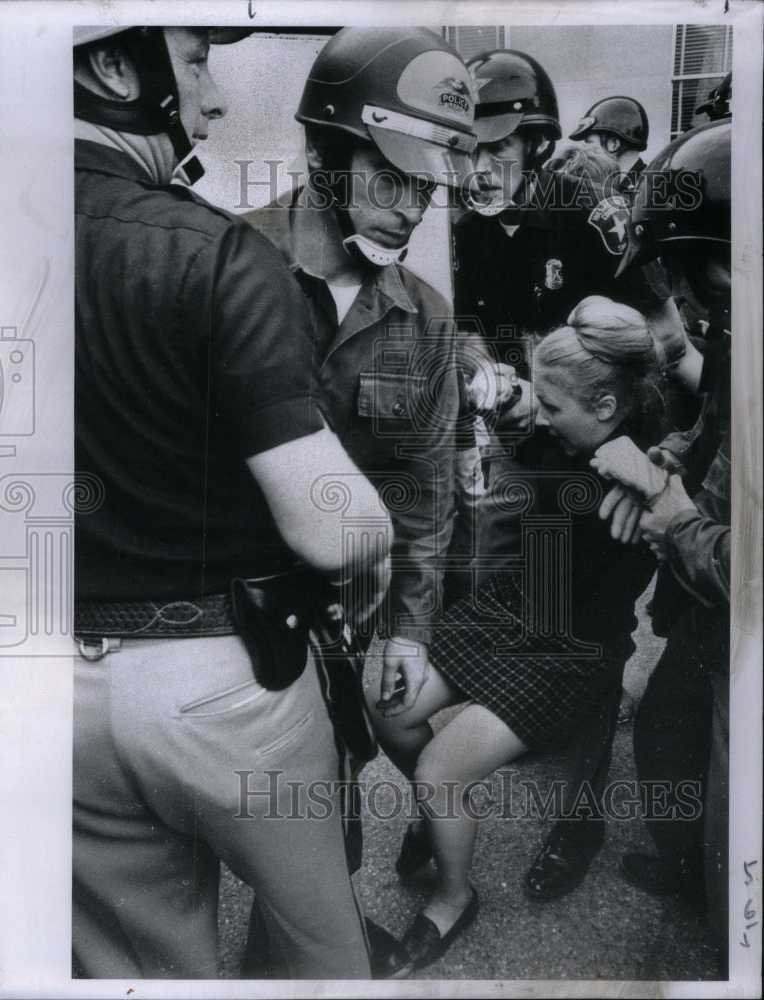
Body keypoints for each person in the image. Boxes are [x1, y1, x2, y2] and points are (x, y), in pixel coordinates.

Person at [71, 25, 393, 979]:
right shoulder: (211, 250)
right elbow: (333, 524)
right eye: (198, 60)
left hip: (41, 681)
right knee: (320, 950)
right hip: (221, 683)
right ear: (114, 66)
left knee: (145, 968)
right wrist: (373, 547)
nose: (211, 98)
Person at [242, 26, 476, 976]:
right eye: (392, 179)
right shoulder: (223, 268)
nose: (412, 208)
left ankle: (304, 947)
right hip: (227, 616)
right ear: (319, 158)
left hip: (348, 615)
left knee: (335, 801)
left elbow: (422, 493)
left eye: (424, 187)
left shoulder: (422, 314)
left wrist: (410, 631)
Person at [371, 296, 664, 977]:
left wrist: (650, 493)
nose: (540, 414)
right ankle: (434, 815)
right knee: (388, 703)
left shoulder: (637, 480)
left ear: (604, 407)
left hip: (571, 646)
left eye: (553, 405)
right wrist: (489, 381)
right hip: (511, 603)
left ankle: (452, 898)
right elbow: (486, 380)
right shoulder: (563, 430)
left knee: (441, 769)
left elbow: (608, 588)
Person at [450, 48, 676, 903]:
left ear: (539, 143)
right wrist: (481, 369)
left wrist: (638, 459)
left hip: (607, 460)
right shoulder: (457, 221)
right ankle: (490, 768)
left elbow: (660, 344)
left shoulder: (587, 213)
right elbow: (460, 322)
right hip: (521, 447)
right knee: (532, 612)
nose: (476, 171)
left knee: (598, 634)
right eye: (465, 151)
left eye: (495, 151)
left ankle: (579, 816)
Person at [600, 119, 731, 971]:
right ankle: (692, 866)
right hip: (711, 591)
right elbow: (710, 429)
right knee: (671, 719)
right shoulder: (735, 335)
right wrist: (666, 460)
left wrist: (676, 520)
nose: (675, 302)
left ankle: (723, 913)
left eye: (681, 276)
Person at [568, 95, 650, 193]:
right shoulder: (647, 184)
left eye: (589, 143)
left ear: (614, 144)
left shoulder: (651, 191)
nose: (585, 151)